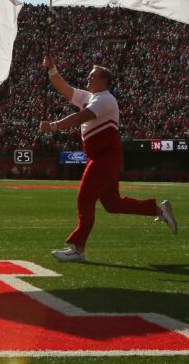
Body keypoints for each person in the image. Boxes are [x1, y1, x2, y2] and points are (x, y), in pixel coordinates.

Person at [38, 56, 176, 263]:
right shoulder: (91, 96)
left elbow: (80, 118)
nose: (88, 78)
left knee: (85, 198)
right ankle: (158, 209)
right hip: (103, 158)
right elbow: (65, 89)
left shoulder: (105, 99)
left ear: (103, 81)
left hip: (104, 158)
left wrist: (53, 126)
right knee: (113, 204)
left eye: (92, 76)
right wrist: (52, 69)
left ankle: (78, 248)